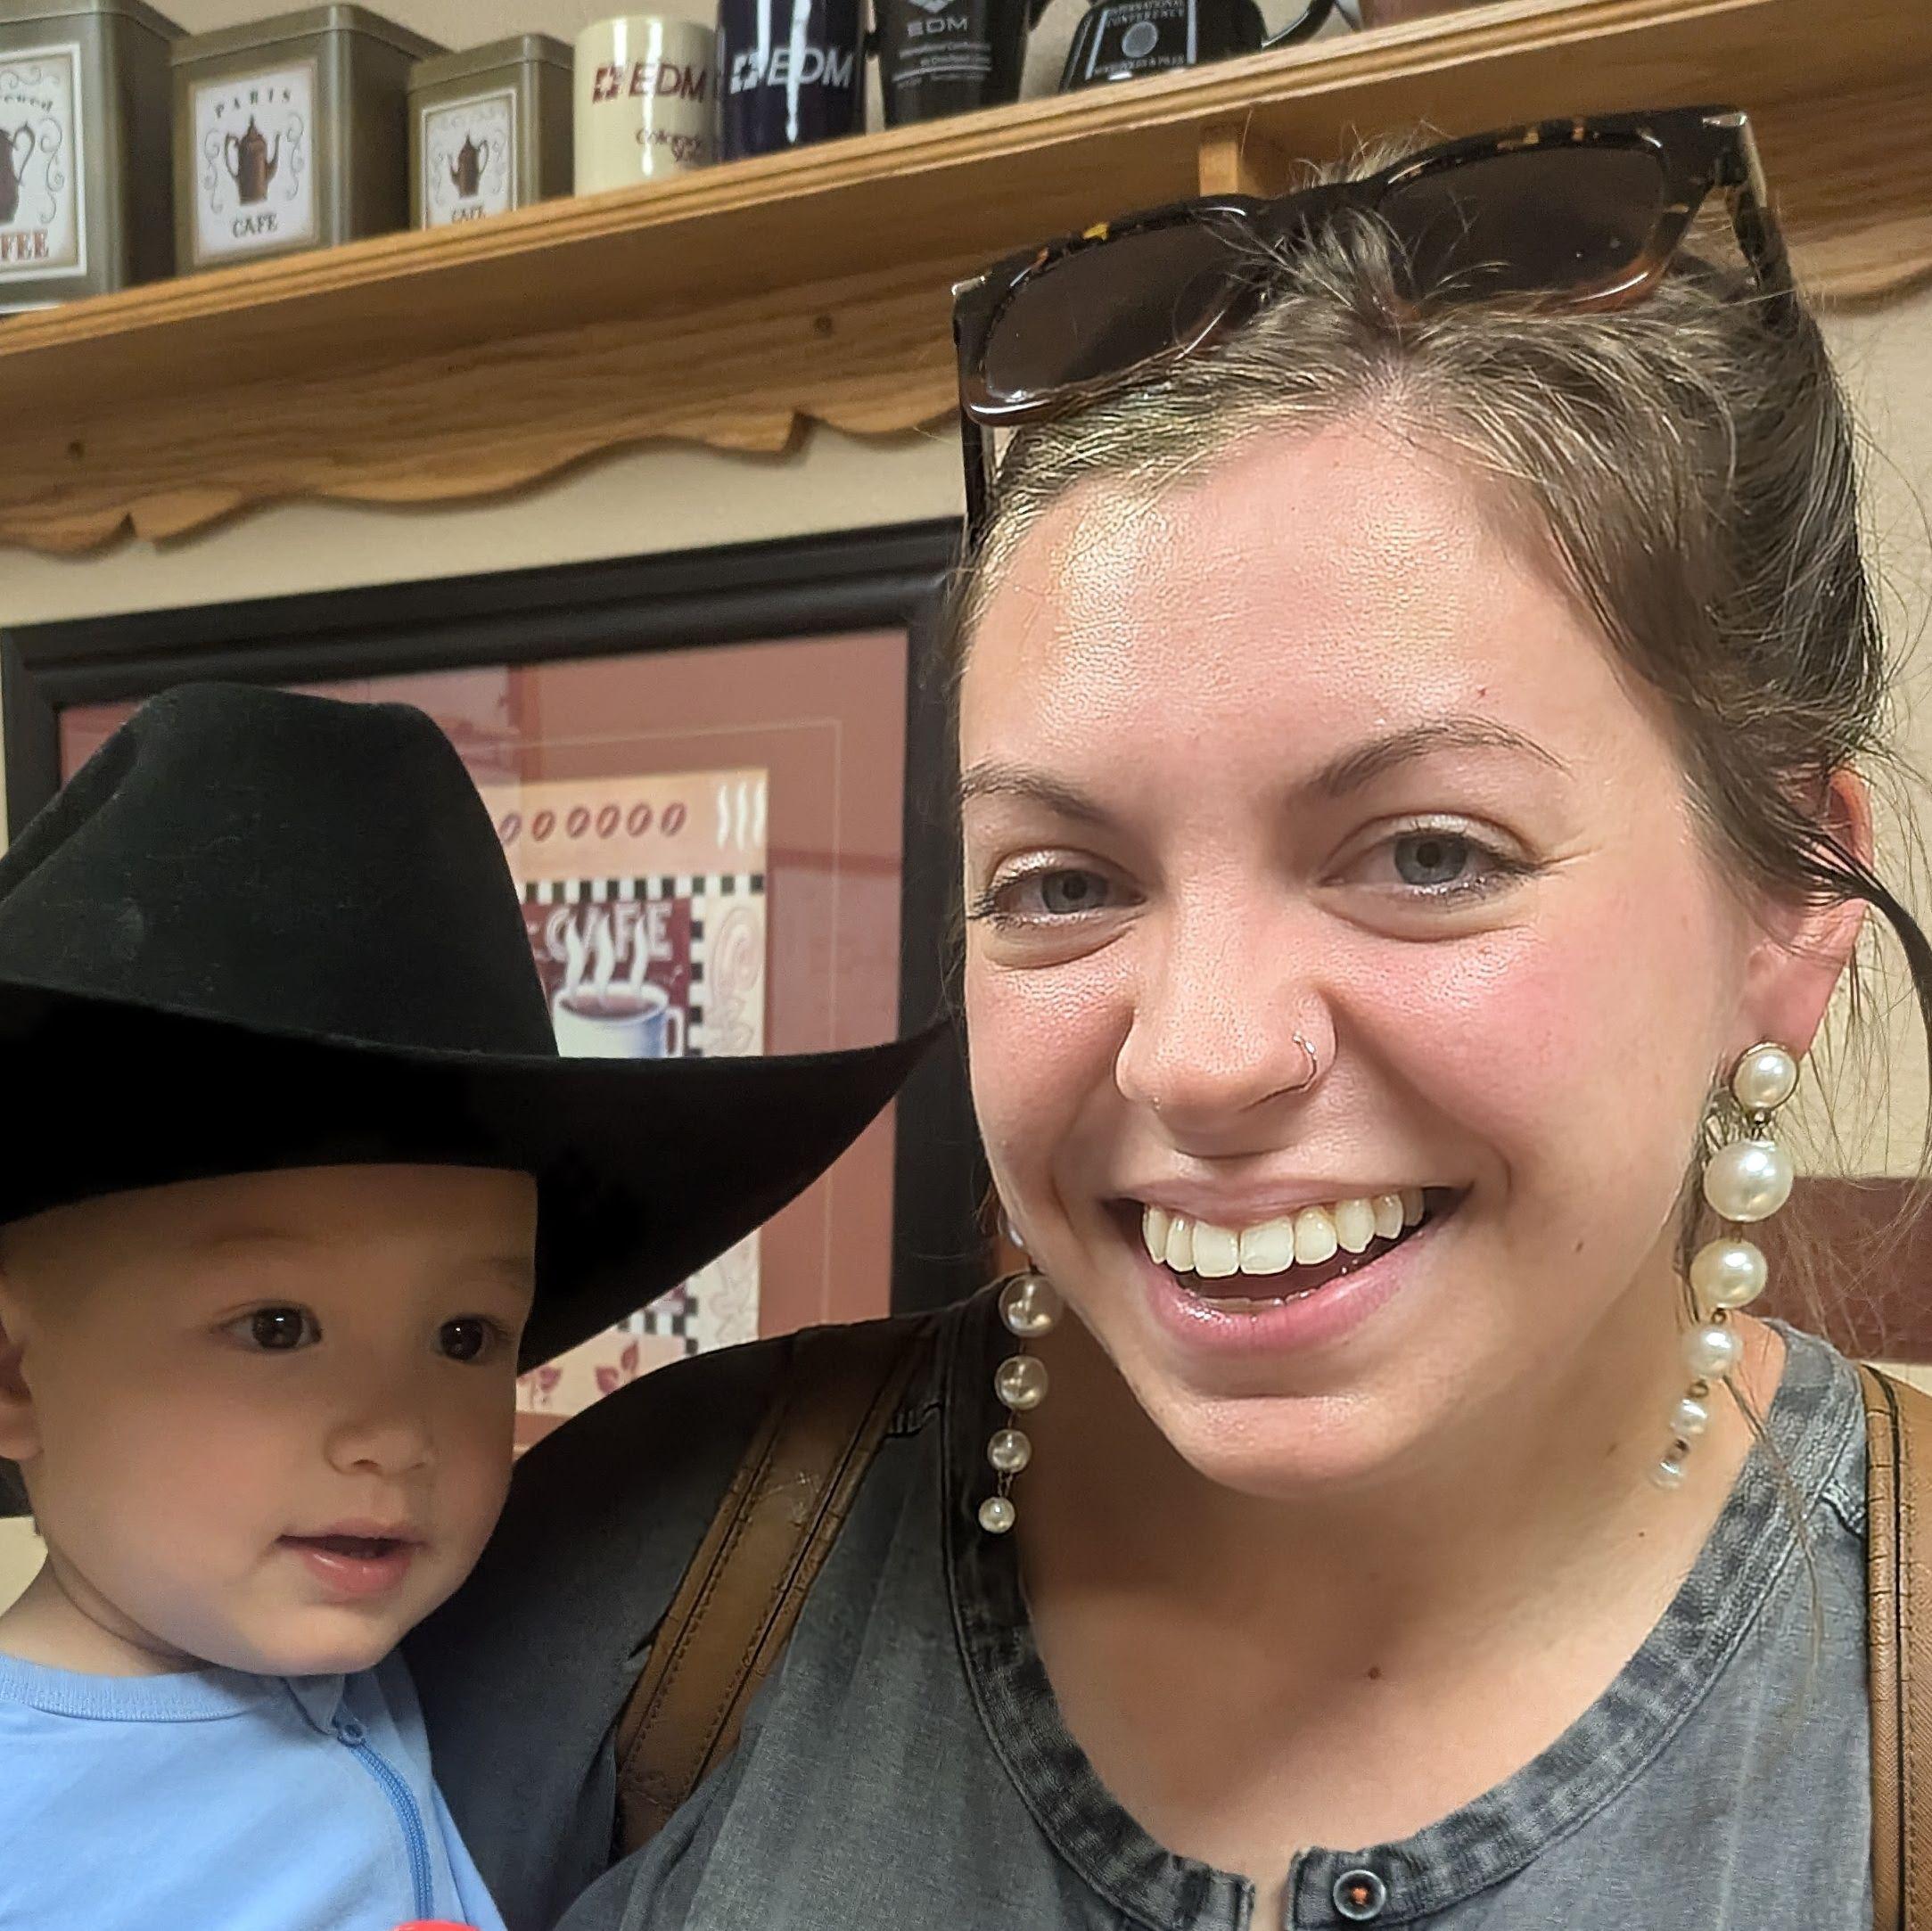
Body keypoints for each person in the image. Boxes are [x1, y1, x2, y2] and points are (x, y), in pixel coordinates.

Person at [413, 105, 1924, 1927]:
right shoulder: (646, 1578)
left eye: (1428, 853)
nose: (1197, 1057)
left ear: (1791, 901)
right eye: (1064, 883)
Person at [0, 684, 922, 1931]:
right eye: (277, 1325)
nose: (397, 1434)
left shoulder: (416, 1670)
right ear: (12, 1374)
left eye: (464, 1336)